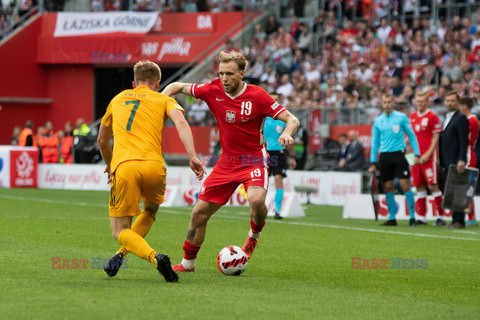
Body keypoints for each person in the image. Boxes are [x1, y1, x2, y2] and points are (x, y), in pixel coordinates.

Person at [161, 51, 299, 272]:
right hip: (226, 162)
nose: (224, 79)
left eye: (230, 74)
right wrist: (160, 100)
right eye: (221, 73)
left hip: (253, 159)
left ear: (242, 74)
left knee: (255, 200)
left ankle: (253, 235)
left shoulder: (258, 96)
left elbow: (292, 119)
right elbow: (177, 85)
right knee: (198, 213)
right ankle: (187, 264)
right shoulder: (213, 89)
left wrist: (287, 133)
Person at [97, 60, 205, 282]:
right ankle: (121, 254)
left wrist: (110, 164)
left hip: (125, 166)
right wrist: (192, 156)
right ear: (157, 83)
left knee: (120, 231)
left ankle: (155, 258)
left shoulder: (117, 99)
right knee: (150, 211)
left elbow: (102, 140)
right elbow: (181, 122)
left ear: (134, 83)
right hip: (155, 167)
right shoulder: (164, 99)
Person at [369, 93, 421, 226]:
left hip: (399, 155)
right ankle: (392, 218)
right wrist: (373, 162)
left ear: (393, 103)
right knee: (388, 186)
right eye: (384, 102)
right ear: (382, 103)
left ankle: (412, 218)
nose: (387, 104)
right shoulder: (378, 120)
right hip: (385, 156)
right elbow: (375, 143)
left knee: (405, 185)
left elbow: (412, 136)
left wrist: (417, 154)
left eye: (389, 102)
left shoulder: (401, 117)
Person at [410, 91, 446, 226]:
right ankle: (422, 218)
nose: (420, 104)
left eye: (422, 101)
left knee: (433, 185)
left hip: (428, 156)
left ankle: (441, 217)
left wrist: (428, 154)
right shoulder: (412, 116)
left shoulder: (432, 116)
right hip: (416, 157)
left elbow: (436, 138)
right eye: (417, 102)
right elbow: (412, 136)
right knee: (419, 186)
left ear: (427, 102)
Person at [264, 92, 296, 219]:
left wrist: (292, 157)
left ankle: (277, 211)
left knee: (278, 180)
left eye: (276, 99)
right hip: (264, 153)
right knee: (262, 182)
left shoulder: (284, 119)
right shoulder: (263, 117)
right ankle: (259, 209)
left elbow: (289, 139)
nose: (274, 101)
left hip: (279, 153)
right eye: (272, 99)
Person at [439, 92, 469, 229]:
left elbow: (464, 141)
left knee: (458, 190)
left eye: (452, 100)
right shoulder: (447, 118)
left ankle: (459, 220)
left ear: (458, 102)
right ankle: (454, 219)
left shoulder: (461, 118)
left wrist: (462, 159)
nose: (449, 103)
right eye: (447, 100)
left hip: (456, 159)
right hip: (447, 160)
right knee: (451, 190)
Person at [459, 97, 479, 227]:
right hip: (466, 152)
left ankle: (471, 217)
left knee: (468, 187)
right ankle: (469, 215)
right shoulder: (468, 119)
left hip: (468, 154)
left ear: (465, 106)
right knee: (464, 187)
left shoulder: (471, 120)